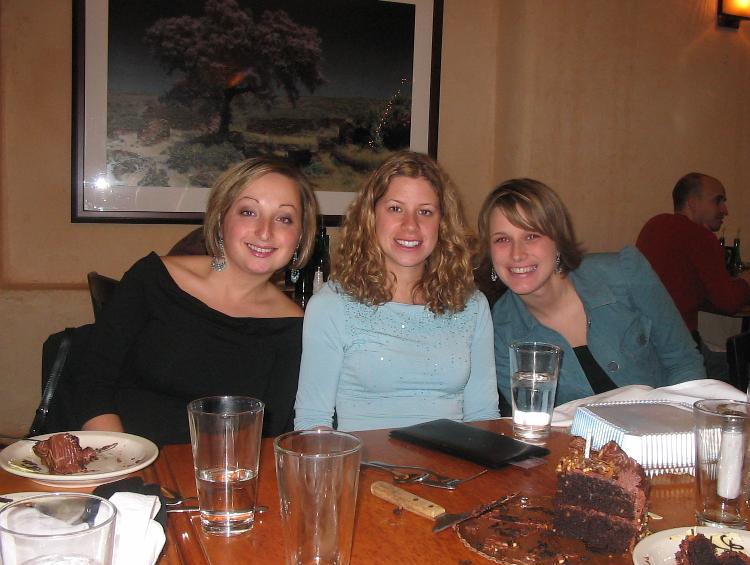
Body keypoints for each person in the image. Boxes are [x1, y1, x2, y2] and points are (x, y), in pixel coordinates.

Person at [74, 158, 319, 446]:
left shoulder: (295, 326)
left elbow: (269, 434)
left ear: (300, 236)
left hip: (220, 468)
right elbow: (90, 384)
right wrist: (122, 460)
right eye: (248, 212)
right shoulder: (154, 279)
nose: (265, 231)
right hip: (113, 452)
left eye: (284, 218)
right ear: (221, 219)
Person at [294, 151, 499, 431]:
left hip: (453, 458)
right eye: (395, 209)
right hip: (364, 460)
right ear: (371, 216)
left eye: (425, 212)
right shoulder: (332, 305)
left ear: (442, 222)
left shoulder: (471, 306)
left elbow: (484, 416)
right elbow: (312, 422)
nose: (410, 225)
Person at [478, 178, 705, 408]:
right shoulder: (499, 331)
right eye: (502, 240)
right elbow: (532, 416)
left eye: (531, 236)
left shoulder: (625, 272)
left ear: (557, 240)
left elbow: (683, 362)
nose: (517, 254)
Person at [636, 172, 750, 344]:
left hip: (641, 339)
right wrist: (745, 282)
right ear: (692, 203)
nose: (725, 210)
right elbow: (728, 302)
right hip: (676, 342)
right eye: (718, 201)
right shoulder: (700, 237)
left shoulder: (654, 225)